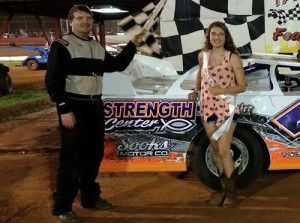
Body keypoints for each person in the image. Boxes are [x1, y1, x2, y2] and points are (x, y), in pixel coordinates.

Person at [45, 4, 144, 222]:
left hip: (94, 107)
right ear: (71, 21)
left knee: (93, 156)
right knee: (70, 160)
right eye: (80, 18)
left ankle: (90, 198)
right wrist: (64, 109)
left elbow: (116, 65)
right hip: (74, 107)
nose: (85, 22)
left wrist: (132, 45)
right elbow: (53, 80)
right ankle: (62, 208)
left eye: (88, 19)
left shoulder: (97, 46)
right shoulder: (62, 45)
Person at [189, 21, 246, 208]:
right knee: (215, 151)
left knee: (223, 150)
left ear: (226, 36)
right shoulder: (202, 56)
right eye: (213, 34)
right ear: (209, 36)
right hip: (207, 107)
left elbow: (242, 86)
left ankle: (232, 193)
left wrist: (223, 90)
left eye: (220, 34)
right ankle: (223, 191)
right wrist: (195, 90)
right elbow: (200, 74)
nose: (217, 37)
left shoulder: (233, 58)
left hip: (226, 109)